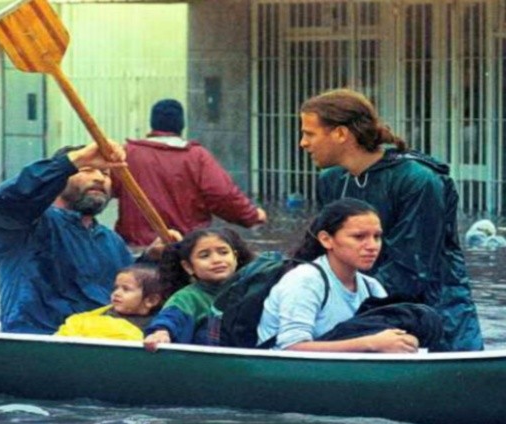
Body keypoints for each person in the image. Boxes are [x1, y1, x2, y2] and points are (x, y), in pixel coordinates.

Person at [299, 88, 483, 351]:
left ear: (340, 134)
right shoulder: (331, 181)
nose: (303, 143)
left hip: (437, 318)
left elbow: (411, 268)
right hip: (360, 313)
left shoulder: (418, 180)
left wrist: (348, 306)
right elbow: (322, 249)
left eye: (309, 133)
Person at [0, 141, 177, 334]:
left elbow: (130, 292)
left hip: (100, 340)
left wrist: (152, 258)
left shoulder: (111, 241)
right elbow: (5, 201)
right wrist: (72, 161)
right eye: (87, 169)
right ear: (59, 181)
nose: (99, 179)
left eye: (105, 173)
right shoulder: (26, 226)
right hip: (40, 340)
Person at [257, 198, 441, 352]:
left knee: (423, 319)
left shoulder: (372, 287)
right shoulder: (305, 280)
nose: (372, 246)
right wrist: (372, 343)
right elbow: (290, 347)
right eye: (359, 237)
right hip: (288, 374)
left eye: (377, 237)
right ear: (326, 240)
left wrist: (405, 342)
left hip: (339, 373)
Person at [112, 99, 267, 246]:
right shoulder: (197, 156)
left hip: (136, 246)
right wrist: (252, 216)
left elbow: (106, 188)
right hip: (186, 246)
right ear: (181, 125)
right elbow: (222, 195)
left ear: (152, 124)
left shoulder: (127, 154)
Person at [143, 228, 254, 351]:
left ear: (235, 257)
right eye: (204, 256)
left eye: (223, 252)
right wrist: (161, 333)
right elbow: (170, 319)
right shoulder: (187, 298)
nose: (217, 260)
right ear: (188, 266)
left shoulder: (253, 290)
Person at [55, 264, 165, 340]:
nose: (116, 293)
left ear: (151, 300)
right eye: (116, 288)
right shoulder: (99, 315)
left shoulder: (156, 328)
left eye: (126, 289)